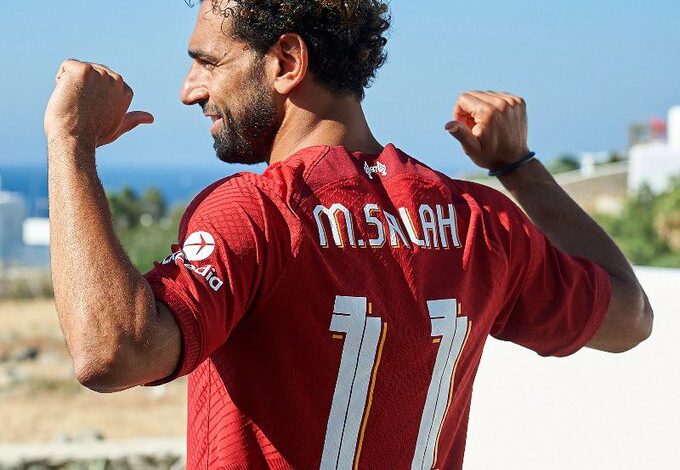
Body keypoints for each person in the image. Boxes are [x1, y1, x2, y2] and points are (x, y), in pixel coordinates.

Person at [43, 1, 653, 469]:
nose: (189, 89)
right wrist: (517, 166)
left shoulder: (260, 212)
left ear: (287, 62)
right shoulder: (478, 222)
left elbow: (110, 353)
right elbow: (630, 318)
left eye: (208, 62)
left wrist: (70, 140)